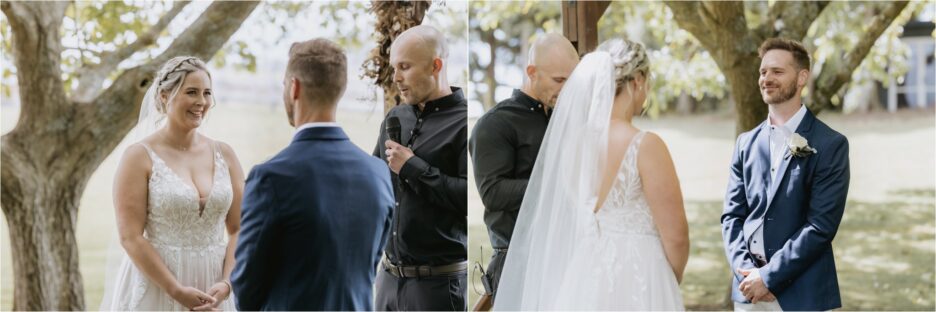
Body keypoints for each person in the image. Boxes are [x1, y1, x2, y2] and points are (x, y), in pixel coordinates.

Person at [494, 38, 688, 310]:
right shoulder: (646, 145)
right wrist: (667, 282)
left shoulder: (572, 146)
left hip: (585, 275)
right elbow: (677, 237)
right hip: (641, 274)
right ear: (639, 80)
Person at [230, 38, 394, 310]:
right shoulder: (378, 172)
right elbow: (369, 263)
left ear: (294, 87)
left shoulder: (270, 177)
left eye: (284, 85)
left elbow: (247, 288)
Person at [103, 56, 244, 311]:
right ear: (165, 95)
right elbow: (130, 237)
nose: (201, 102)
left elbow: (238, 229)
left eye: (207, 93)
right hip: (158, 286)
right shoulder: (138, 156)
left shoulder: (226, 154)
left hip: (215, 290)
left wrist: (227, 282)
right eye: (192, 92)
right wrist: (175, 290)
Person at [721, 38, 850, 311]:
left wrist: (769, 277)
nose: (767, 78)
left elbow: (820, 227)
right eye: (763, 71)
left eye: (777, 71)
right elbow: (732, 216)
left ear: (802, 77)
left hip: (803, 294)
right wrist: (747, 273)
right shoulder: (745, 143)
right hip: (748, 293)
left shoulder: (830, 144)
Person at [468, 33, 579, 307]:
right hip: (518, 262)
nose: (566, 89)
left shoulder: (565, 118)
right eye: (558, 80)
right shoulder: (494, 125)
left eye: (571, 81)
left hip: (568, 259)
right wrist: (557, 182)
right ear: (532, 72)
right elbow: (493, 193)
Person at [372, 25, 468, 311]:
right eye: (393, 68)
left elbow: (467, 198)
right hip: (387, 283)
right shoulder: (395, 117)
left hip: (437, 289)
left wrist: (413, 168)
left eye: (405, 67)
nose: (396, 77)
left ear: (435, 66)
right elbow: (376, 185)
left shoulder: (464, 123)